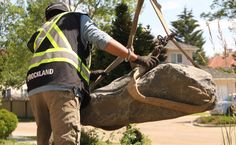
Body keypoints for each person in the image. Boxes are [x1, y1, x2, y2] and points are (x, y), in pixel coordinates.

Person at [26, 2, 159, 145]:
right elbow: (102, 40)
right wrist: (136, 58)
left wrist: (87, 75)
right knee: (66, 140)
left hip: (35, 88)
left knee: (44, 140)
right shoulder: (74, 18)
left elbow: (52, 61)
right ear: (66, 11)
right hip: (62, 87)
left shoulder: (42, 31)